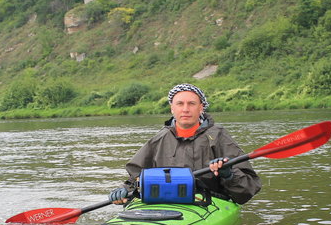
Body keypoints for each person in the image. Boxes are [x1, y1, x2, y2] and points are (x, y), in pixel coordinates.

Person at [109, 83, 261, 205]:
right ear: (172, 109)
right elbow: (136, 177)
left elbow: (248, 190)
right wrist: (124, 190)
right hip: (163, 202)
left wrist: (229, 175)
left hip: (207, 202)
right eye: (180, 104)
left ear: (201, 107)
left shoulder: (218, 136)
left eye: (191, 104)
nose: (186, 109)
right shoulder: (159, 139)